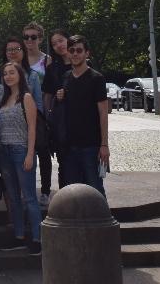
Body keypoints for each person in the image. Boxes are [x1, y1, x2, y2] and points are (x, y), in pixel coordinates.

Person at [0, 61, 42, 255]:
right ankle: (19, 236)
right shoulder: (3, 99)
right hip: (4, 151)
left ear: (20, 75)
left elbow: (32, 128)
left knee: (29, 197)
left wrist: (30, 153)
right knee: (13, 198)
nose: (8, 76)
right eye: (5, 73)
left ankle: (37, 238)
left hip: (21, 150)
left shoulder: (26, 98)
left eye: (12, 72)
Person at [54, 34, 109, 197]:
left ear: (87, 53)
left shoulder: (96, 78)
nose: (75, 54)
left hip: (91, 145)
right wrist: (60, 97)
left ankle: (102, 215)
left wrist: (104, 144)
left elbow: (103, 113)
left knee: (95, 190)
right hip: (69, 146)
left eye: (79, 50)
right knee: (74, 193)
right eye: (72, 50)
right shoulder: (66, 77)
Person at [19, 24, 53, 205]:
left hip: (40, 111)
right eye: (26, 37)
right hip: (20, 111)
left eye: (33, 37)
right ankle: (26, 188)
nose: (29, 40)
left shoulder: (47, 60)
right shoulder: (19, 59)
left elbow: (50, 87)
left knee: (43, 151)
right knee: (23, 151)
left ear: (40, 39)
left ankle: (45, 190)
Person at [42, 27, 73, 190]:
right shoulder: (52, 68)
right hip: (61, 122)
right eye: (54, 44)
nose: (59, 45)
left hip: (82, 122)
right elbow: (47, 95)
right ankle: (66, 201)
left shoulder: (83, 64)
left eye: (61, 40)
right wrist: (48, 117)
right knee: (64, 166)